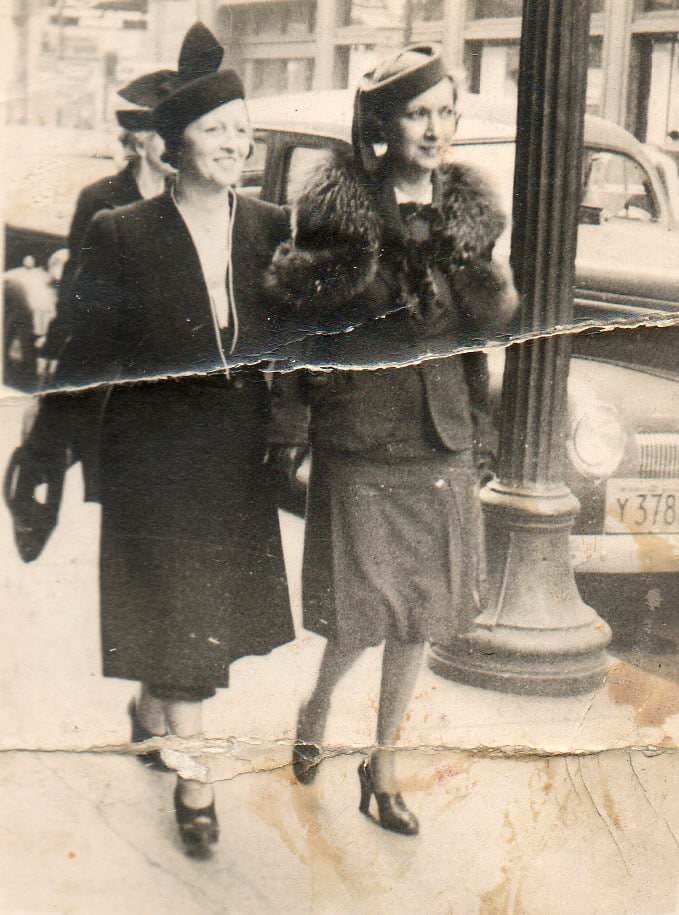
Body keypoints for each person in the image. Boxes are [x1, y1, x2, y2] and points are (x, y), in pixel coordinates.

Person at [26, 22, 295, 858]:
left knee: (195, 620)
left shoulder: (270, 224)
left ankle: (154, 710)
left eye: (243, 132)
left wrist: (290, 431)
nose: (235, 146)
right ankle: (196, 780)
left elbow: (293, 345)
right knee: (182, 617)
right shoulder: (123, 231)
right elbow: (83, 355)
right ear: (176, 143)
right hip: (153, 457)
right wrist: (47, 451)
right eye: (218, 131)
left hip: (235, 454)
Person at [267, 45, 517, 836]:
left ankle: (382, 764)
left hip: (438, 438)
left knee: (420, 612)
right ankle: (317, 705)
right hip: (361, 440)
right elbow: (302, 335)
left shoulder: (465, 214)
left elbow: (474, 339)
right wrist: (290, 433)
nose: (435, 128)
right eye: (417, 113)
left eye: (446, 112)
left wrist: (478, 433)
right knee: (360, 616)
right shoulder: (339, 212)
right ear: (381, 125)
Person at [40, 70, 175, 368]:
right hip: (112, 351)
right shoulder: (99, 198)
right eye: (167, 135)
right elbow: (76, 276)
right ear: (141, 143)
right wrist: (54, 346)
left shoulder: (184, 199)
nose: (178, 145)